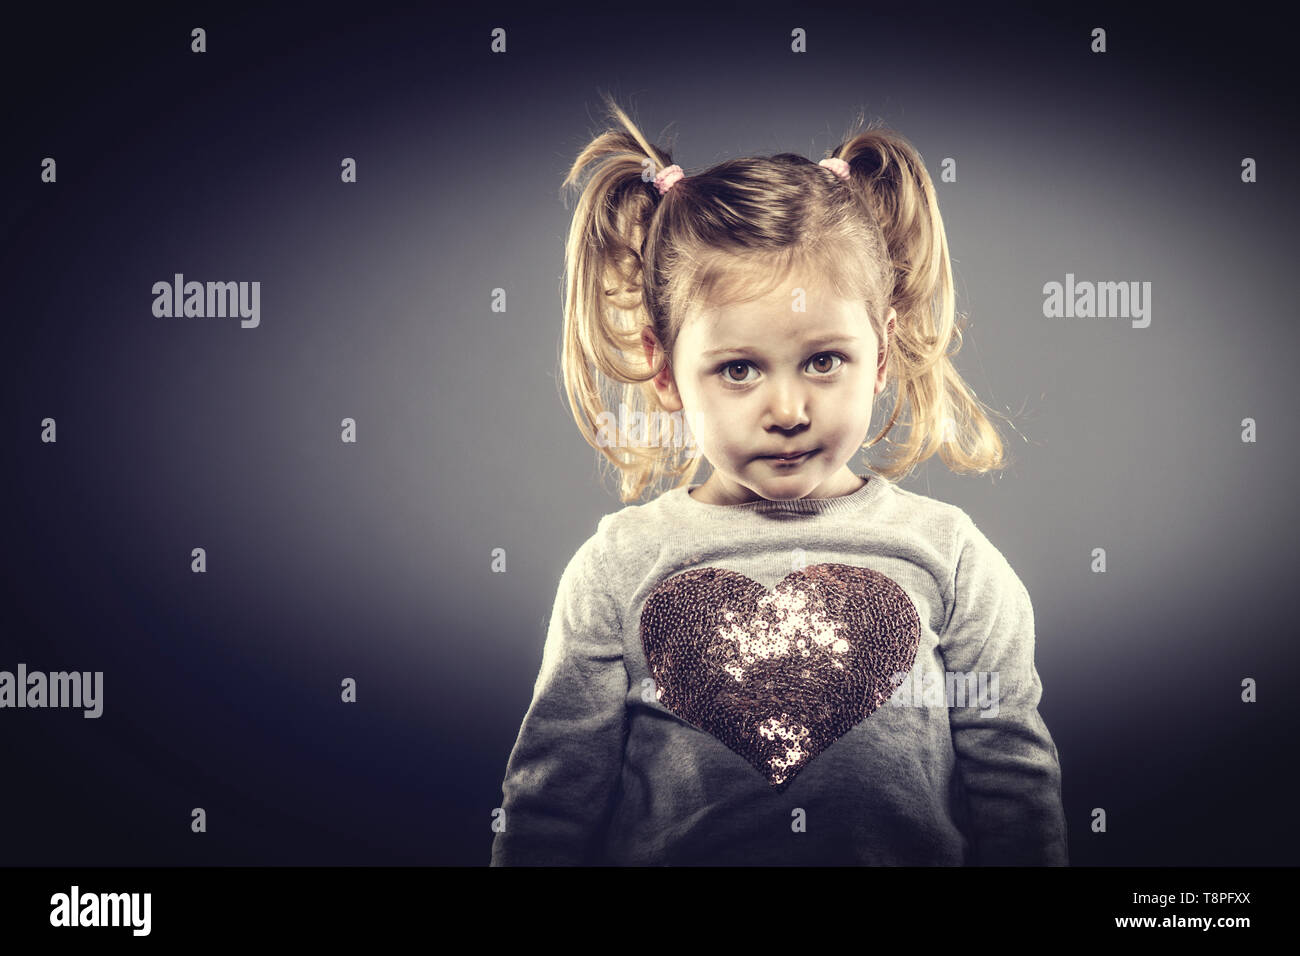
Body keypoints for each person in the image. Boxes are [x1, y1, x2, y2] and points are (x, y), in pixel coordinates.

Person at [489, 93, 1068, 866]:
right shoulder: (618, 570)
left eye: (824, 361)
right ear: (665, 371)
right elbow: (549, 809)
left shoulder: (951, 558)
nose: (788, 409)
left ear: (883, 351)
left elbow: (1017, 793)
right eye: (738, 369)